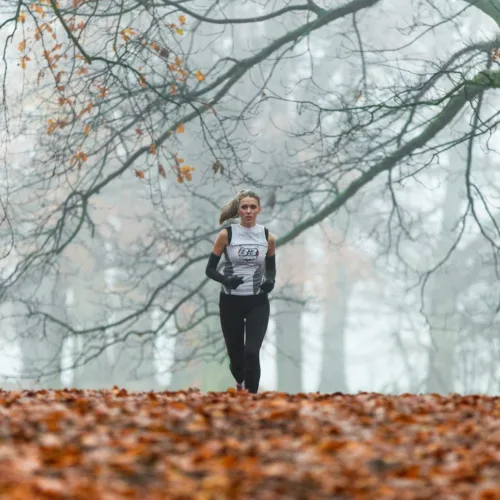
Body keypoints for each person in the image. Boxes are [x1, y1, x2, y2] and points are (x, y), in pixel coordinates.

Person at [205, 189, 276, 394]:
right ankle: (240, 381)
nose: (248, 211)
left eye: (252, 207)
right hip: (230, 302)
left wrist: (270, 281)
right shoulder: (226, 234)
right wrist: (226, 279)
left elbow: (270, 268)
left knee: (252, 353)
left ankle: (252, 400)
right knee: (237, 360)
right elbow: (209, 269)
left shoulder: (267, 237)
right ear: (239, 209)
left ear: (259, 210)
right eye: (244, 207)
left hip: (257, 302)